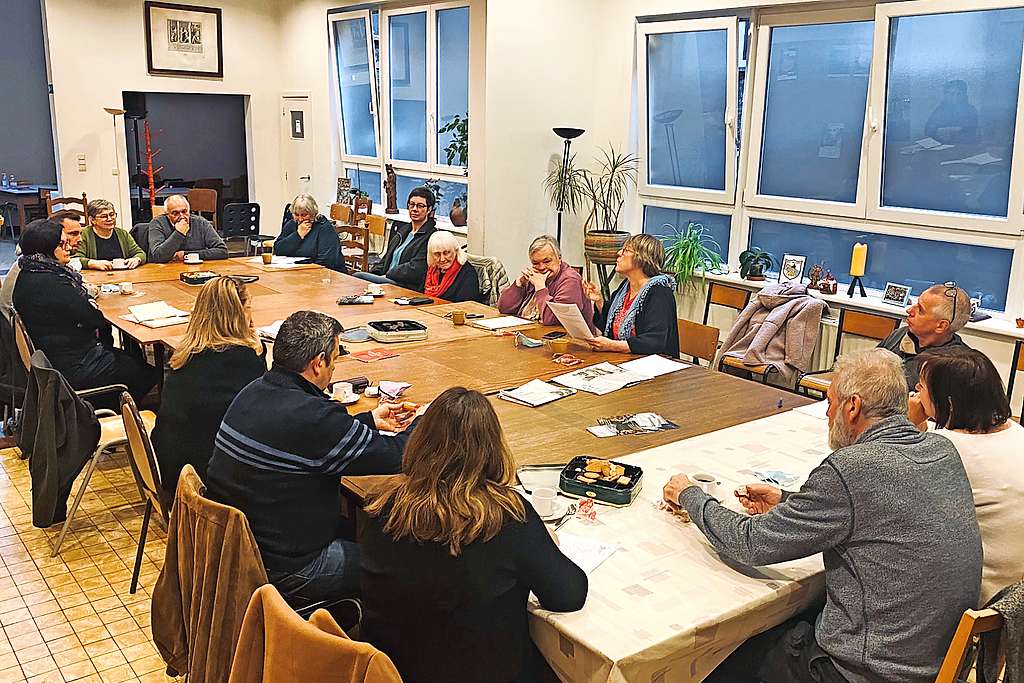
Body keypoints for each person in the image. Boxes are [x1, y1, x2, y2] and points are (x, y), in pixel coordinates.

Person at [662, 348, 982, 683]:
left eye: (830, 402)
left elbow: (749, 543)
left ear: (853, 406)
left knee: (715, 659)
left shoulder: (852, 468)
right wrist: (790, 501)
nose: (827, 414)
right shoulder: (941, 450)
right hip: (938, 663)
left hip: (866, 671)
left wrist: (690, 495)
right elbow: (878, 514)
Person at [361, 387, 587, 683]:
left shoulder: (381, 507)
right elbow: (569, 594)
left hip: (393, 672)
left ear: (420, 442)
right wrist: (544, 543)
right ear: (493, 448)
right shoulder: (506, 516)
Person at [205, 310, 418, 602]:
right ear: (318, 364)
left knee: (373, 530)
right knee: (405, 563)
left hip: (236, 552)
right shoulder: (314, 417)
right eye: (335, 358)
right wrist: (424, 422)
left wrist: (367, 421)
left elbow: (312, 437)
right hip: (287, 569)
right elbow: (398, 456)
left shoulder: (253, 391)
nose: (334, 369)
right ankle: (369, 643)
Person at [909, 348, 1024, 605]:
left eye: (923, 386)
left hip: (982, 602)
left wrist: (911, 424)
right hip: (1017, 596)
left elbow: (883, 480)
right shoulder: (1018, 432)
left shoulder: (943, 447)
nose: (916, 389)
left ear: (948, 402)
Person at [12, 218, 159, 402]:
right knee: (146, 371)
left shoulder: (30, 271)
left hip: (55, 355)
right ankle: (115, 411)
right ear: (45, 249)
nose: (68, 248)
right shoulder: (52, 282)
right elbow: (94, 319)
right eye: (62, 243)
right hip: (73, 365)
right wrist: (89, 302)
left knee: (131, 359)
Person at [151, 277, 266, 501]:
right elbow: (264, 410)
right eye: (249, 308)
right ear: (239, 312)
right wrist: (259, 352)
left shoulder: (185, 354)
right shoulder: (241, 359)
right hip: (206, 484)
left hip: (168, 471)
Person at [583, 234, 679, 358]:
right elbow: (609, 325)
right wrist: (599, 301)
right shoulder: (625, 288)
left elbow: (655, 341)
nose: (618, 253)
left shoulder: (659, 293)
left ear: (642, 258)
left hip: (654, 366)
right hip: (625, 361)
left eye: (625, 251)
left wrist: (612, 346)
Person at [877, 281, 972, 388]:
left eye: (920, 310)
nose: (909, 310)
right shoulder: (900, 334)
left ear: (941, 326)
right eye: (916, 304)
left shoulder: (955, 367)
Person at [497, 235, 596, 332]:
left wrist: (540, 287)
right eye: (535, 263)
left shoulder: (570, 280)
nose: (541, 267)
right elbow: (504, 309)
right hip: (531, 333)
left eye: (547, 261)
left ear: (559, 258)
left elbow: (551, 320)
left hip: (569, 342)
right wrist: (519, 284)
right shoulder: (535, 276)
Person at [1, 210, 84, 320]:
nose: (80, 239)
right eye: (73, 234)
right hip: (22, 331)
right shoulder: (38, 269)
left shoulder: (35, 258)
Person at [354, 187, 437, 291]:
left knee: (358, 276)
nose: (415, 209)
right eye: (412, 204)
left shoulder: (431, 236)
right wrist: (374, 274)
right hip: (387, 279)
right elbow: (385, 261)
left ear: (429, 209)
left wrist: (388, 274)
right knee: (360, 280)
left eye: (420, 206)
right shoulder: (403, 231)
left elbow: (416, 269)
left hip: (404, 285)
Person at [273, 193, 344, 272]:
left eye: (304, 215)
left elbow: (326, 262)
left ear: (313, 213)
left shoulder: (324, 228)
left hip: (325, 276)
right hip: (297, 273)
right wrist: (298, 235)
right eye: (296, 214)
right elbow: (278, 250)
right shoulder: (292, 224)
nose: (300, 219)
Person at [147, 194, 228, 263]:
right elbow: (158, 256)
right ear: (166, 214)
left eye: (184, 211)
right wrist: (179, 233)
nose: (182, 216)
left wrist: (186, 255)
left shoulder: (200, 222)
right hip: (164, 270)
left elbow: (222, 251)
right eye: (175, 213)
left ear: (189, 211)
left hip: (196, 270)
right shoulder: (157, 223)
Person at [75, 199, 146, 271]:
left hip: (122, 277)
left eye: (112, 215)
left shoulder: (123, 234)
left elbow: (140, 253)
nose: (109, 219)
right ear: (92, 220)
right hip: (94, 278)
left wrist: (137, 259)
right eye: (104, 216)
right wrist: (92, 263)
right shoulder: (84, 235)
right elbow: (75, 259)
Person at [422, 230, 480, 302]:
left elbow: (465, 306)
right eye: (437, 254)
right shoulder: (432, 271)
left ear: (456, 251)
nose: (442, 259)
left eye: (446, 253)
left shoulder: (467, 273)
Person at [924, 79, 979, 144]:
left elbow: (970, 131)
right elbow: (928, 129)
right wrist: (938, 130)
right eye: (951, 93)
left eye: (959, 94)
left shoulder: (970, 110)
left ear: (964, 95)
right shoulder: (940, 109)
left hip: (963, 146)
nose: (955, 97)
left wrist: (950, 130)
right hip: (941, 146)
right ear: (946, 94)